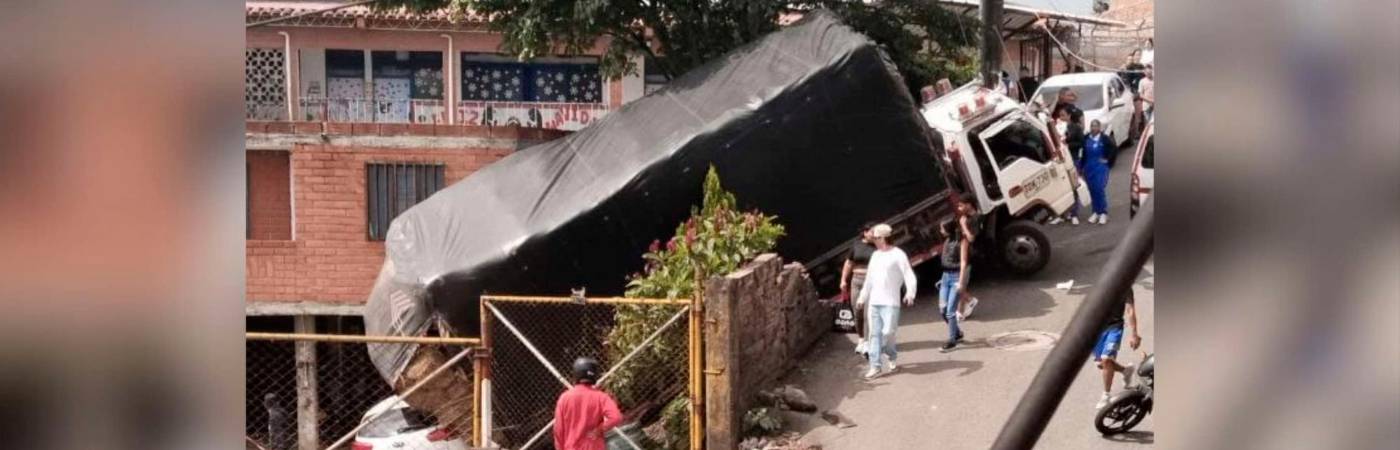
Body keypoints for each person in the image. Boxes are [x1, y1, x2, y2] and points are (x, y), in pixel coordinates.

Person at [854, 223, 917, 379]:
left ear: (883, 238)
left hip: (891, 302)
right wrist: (862, 297)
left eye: (875, 237)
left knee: (888, 332)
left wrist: (910, 292)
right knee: (874, 334)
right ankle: (875, 366)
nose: (873, 240)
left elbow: (908, 274)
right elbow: (869, 279)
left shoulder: (898, 254)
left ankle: (891, 353)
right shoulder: (875, 255)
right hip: (875, 302)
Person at [554, 357, 623, 450]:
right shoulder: (601, 397)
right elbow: (616, 417)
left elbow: (558, 429)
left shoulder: (564, 398)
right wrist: (599, 430)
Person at [1094, 290, 1141, 409]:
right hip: (1097, 327)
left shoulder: (1126, 286)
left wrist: (1134, 334)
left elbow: (1130, 310)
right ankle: (1126, 371)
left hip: (1114, 327)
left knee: (1106, 360)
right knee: (1101, 364)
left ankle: (1106, 395)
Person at [840, 222, 878, 356]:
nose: (874, 234)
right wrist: (843, 280)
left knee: (869, 312)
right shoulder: (856, 245)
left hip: (872, 282)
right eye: (872, 232)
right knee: (858, 311)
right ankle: (861, 339)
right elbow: (849, 263)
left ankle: (869, 342)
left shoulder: (878, 246)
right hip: (856, 281)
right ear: (865, 232)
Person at [1048, 104, 1086, 226]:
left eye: (1063, 115)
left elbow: (1081, 143)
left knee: (1073, 186)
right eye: (1060, 115)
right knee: (1060, 187)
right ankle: (1062, 214)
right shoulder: (1055, 128)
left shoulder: (1076, 128)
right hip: (1059, 161)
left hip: (1072, 159)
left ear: (1069, 116)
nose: (1061, 117)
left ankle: (1074, 213)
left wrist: (1068, 145)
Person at [936, 218, 970, 352]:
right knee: (942, 310)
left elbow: (963, 262)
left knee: (950, 311)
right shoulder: (947, 240)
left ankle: (952, 341)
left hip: (955, 277)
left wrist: (961, 282)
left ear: (948, 228)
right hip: (945, 277)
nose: (940, 231)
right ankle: (957, 333)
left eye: (942, 228)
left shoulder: (962, 241)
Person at [1082, 119, 1117, 224]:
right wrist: (1081, 167)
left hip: (1100, 167)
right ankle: (1095, 212)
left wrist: (1107, 160)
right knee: (1092, 189)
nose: (1093, 128)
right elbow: (1082, 153)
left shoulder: (1104, 139)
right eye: (1092, 126)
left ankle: (1103, 213)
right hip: (1089, 167)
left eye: (1096, 126)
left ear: (1100, 127)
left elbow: (1113, 149)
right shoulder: (1086, 138)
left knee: (1099, 188)